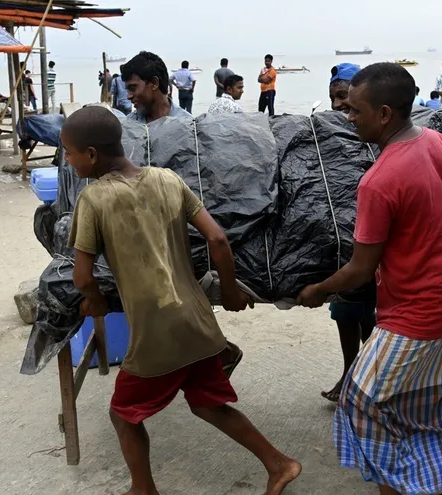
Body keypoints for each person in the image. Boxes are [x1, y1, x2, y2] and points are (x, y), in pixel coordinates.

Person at [63, 105, 302, 495]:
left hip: (157, 335)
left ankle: (143, 490)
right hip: (198, 322)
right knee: (207, 404)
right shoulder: (168, 179)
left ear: (90, 155)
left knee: (123, 416)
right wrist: (228, 290)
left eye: (70, 154)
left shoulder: (94, 200)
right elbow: (219, 239)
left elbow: (83, 277)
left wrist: (97, 303)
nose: (69, 162)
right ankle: (279, 464)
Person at [297, 62, 442, 495]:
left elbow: (361, 269)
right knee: (432, 399)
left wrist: (318, 289)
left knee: (361, 400)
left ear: (385, 114)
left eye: (355, 111)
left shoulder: (379, 181)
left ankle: (404, 482)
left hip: (417, 313)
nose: (348, 118)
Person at [323, 61, 378, 403]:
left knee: (371, 316)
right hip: (344, 239)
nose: (338, 105)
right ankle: (349, 373)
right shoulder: (330, 129)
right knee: (344, 313)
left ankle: (370, 378)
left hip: (372, 240)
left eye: (344, 96)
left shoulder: (373, 133)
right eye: (334, 98)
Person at [121, 51, 191, 123]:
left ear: (154, 83)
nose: (128, 96)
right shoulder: (127, 127)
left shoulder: (188, 126)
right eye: (128, 90)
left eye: (132, 88)